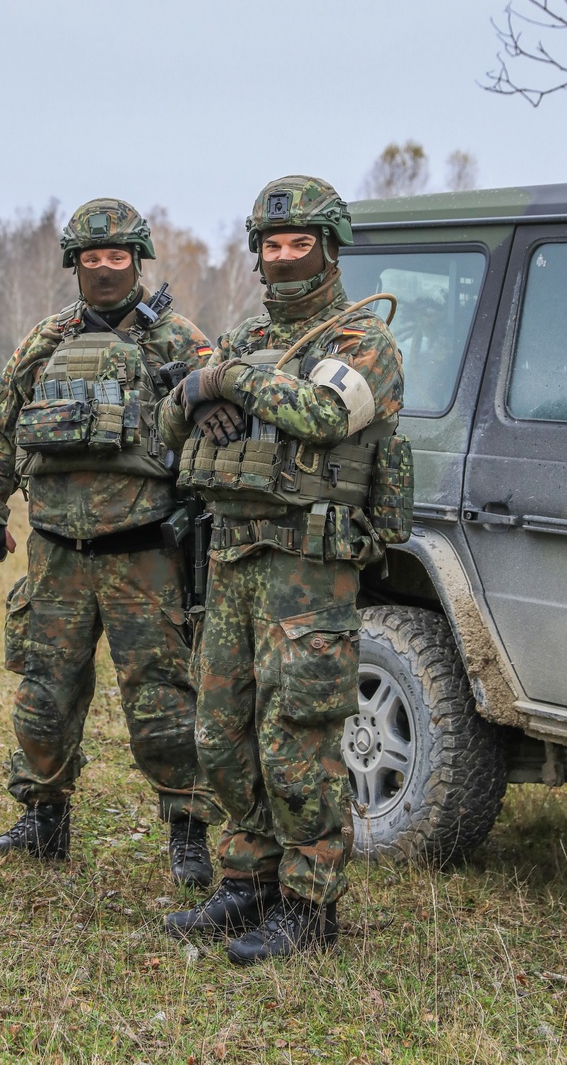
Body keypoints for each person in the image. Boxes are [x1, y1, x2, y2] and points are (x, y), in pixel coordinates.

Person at [157, 176, 404, 964]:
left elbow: (323, 414)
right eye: (273, 245)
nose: (286, 258)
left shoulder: (364, 342)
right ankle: (247, 880)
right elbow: (165, 423)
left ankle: (308, 904)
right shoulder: (239, 338)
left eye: (301, 245)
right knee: (222, 733)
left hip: (309, 565)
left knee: (297, 737)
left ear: (329, 251)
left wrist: (227, 380)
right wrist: (196, 394)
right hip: (234, 556)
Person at [0, 198, 223, 887]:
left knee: (165, 704)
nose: (105, 270)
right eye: (92, 258)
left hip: (144, 554)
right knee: (44, 697)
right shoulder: (46, 340)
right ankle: (43, 821)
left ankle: (188, 833)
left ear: (137, 262)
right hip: (55, 553)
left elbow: (223, 426)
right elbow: (2, 425)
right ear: (73, 264)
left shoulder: (178, 341)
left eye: (117, 258)